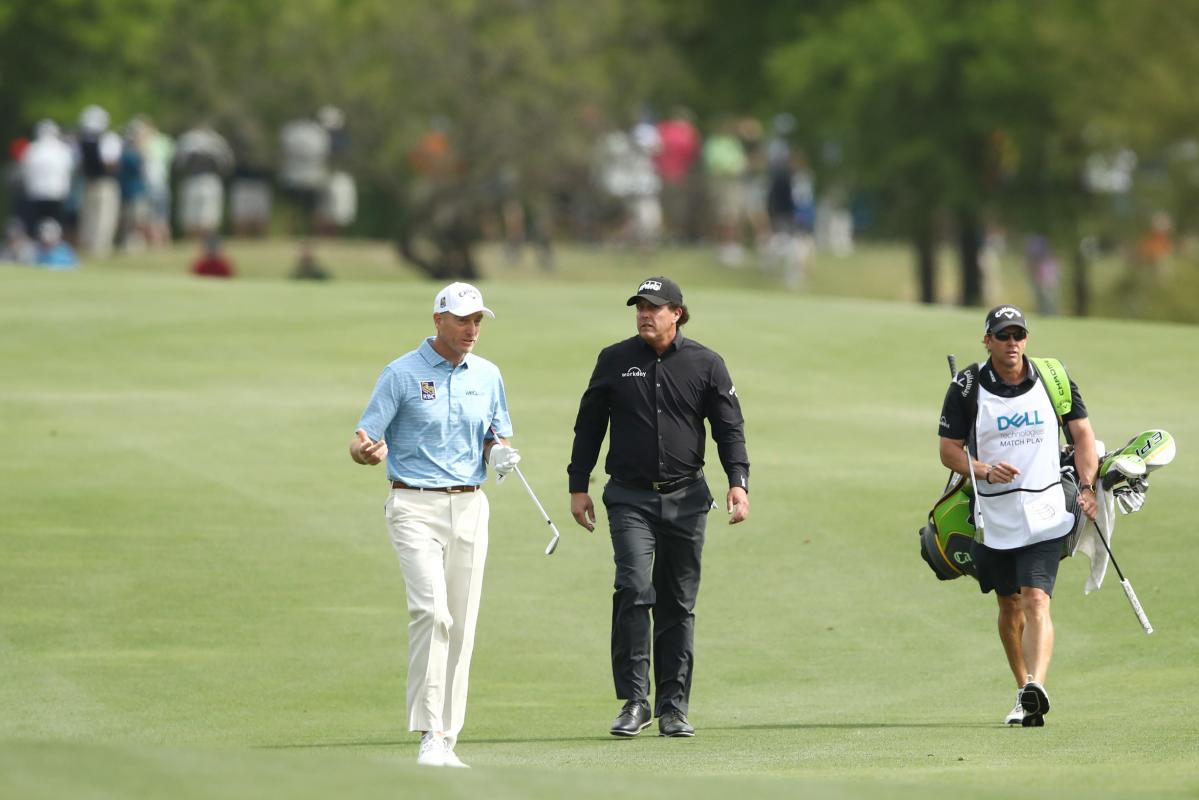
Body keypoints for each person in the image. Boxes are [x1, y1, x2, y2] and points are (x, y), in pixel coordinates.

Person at [567, 276, 750, 738]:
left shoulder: (706, 364)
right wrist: (578, 484)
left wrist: (738, 482)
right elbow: (589, 426)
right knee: (632, 588)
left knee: (678, 603)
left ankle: (673, 706)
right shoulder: (614, 360)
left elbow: (729, 428)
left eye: (654, 307)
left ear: (677, 313)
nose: (645, 314)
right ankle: (634, 701)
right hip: (629, 496)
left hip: (687, 497)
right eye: (639, 307)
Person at [348, 282, 518, 768]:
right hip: (412, 505)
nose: (472, 329)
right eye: (463, 320)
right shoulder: (401, 373)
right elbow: (363, 438)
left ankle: (446, 737)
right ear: (438, 320)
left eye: (478, 320)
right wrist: (365, 452)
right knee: (432, 613)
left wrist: (499, 453)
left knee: (462, 624)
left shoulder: (487, 375)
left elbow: (494, 433)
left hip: (469, 505)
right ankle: (427, 734)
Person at [938, 305, 1098, 727]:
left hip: (1046, 512)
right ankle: (1022, 689)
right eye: (1003, 336)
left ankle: (1037, 685)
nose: (1012, 344)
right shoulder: (967, 385)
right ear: (987, 340)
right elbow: (948, 450)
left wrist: (1085, 488)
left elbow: (1082, 434)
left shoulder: (1052, 377)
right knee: (1010, 606)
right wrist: (985, 469)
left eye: (1018, 335)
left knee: (1036, 599)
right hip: (994, 516)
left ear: (1026, 339)